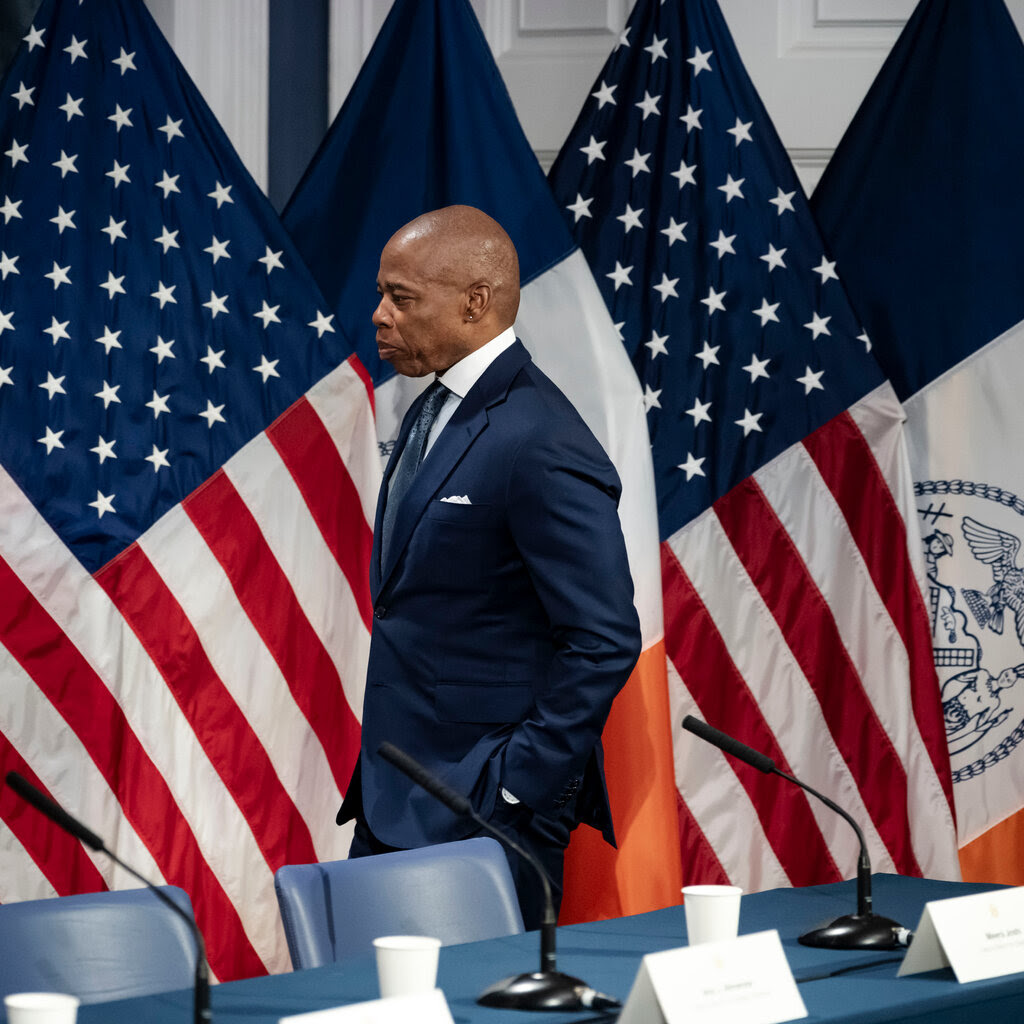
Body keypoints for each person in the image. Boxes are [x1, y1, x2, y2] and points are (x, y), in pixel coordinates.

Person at [337, 204, 642, 928]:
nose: (378, 315)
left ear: (476, 301)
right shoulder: (431, 408)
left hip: (484, 812)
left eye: (401, 298)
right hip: (398, 792)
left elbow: (604, 638)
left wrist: (513, 784)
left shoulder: (541, 438)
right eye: (382, 294)